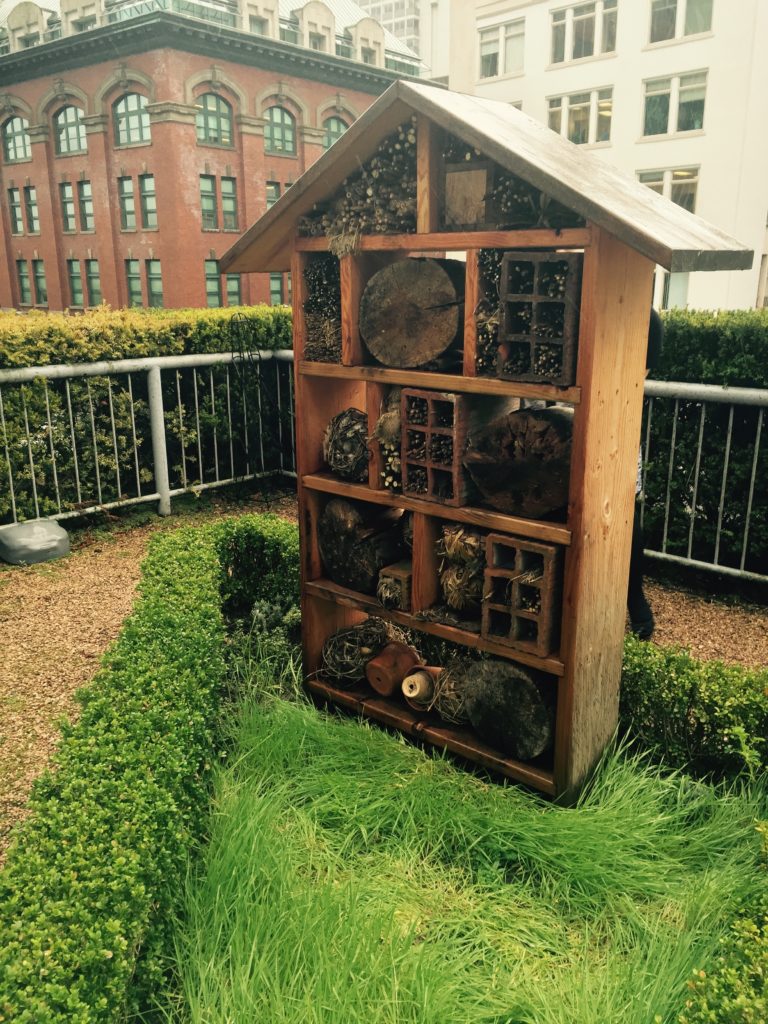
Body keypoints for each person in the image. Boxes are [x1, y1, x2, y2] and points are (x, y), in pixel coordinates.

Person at [627, 307, 663, 640]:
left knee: (628, 515)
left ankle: (635, 601)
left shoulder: (646, 318)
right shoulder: (648, 318)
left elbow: (641, 370)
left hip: (620, 420)